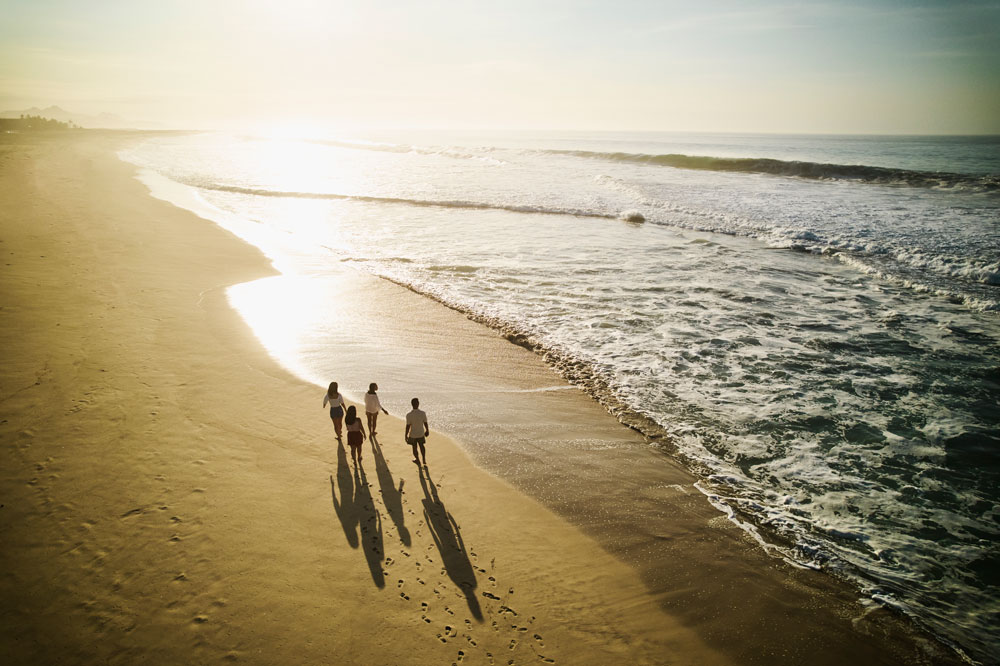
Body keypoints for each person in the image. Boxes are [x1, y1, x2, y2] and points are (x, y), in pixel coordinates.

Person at [404, 397, 429, 465]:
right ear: (418, 404)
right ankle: (423, 458)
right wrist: (427, 430)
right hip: (421, 433)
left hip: (413, 434)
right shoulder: (423, 413)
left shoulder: (409, 415)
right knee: (422, 446)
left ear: (412, 404)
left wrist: (406, 435)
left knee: (414, 447)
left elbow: (408, 426)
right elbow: (425, 423)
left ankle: (417, 459)